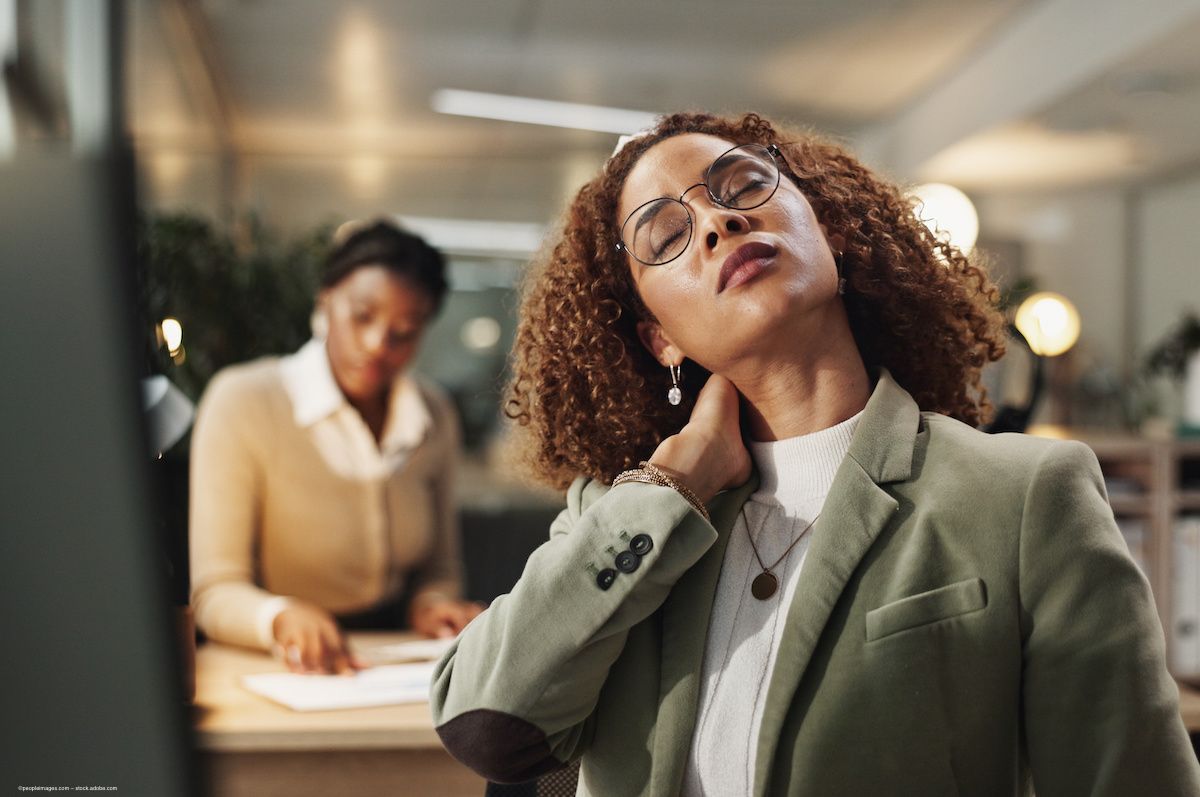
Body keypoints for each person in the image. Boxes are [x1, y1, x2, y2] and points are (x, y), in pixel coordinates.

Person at [429, 112, 1200, 795]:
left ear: (828, 228)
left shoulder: (1028, 496)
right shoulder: (625, 515)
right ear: (659, 338)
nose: (715, 223)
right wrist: (672, 484)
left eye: (740, 185)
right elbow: (484, 725)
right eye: (666, 235)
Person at [190, 220, 482, 675]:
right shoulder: (244, 402)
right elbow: (214, 590)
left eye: (403, 332)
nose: (376, 345)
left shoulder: (434, 415)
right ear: (325, 300)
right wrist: (279, 617)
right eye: (362, 316)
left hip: (394, 666)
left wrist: (433, 604)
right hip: (275, 664)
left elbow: (440, 567)